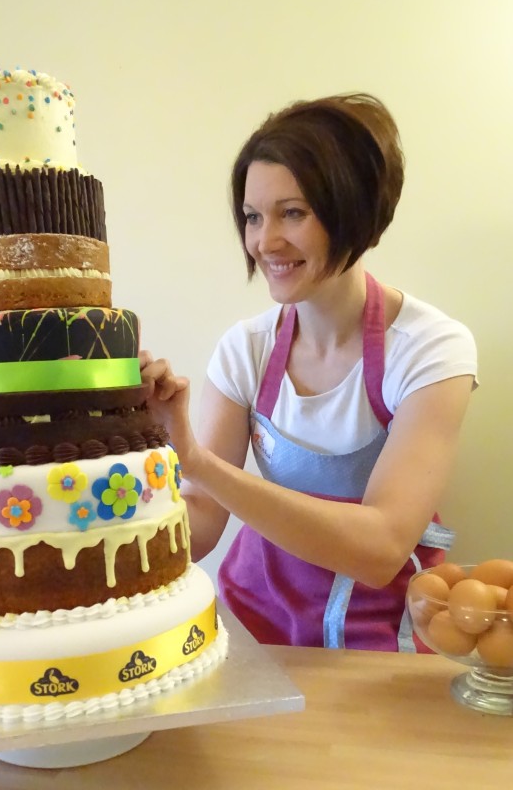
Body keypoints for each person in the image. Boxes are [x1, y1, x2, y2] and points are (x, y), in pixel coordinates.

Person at [140, 93, 477, 652]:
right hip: (256, 620)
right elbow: (197, 531)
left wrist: (197, 460)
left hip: (380, 631)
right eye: (252, 216)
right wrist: (130, 453)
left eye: (292, 213)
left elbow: (380, 549)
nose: (265, 242)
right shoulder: (245, 349)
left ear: (353, 210)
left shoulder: (431, 350)